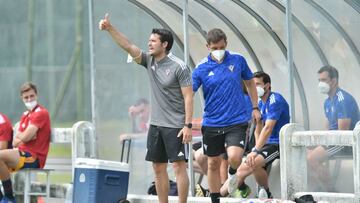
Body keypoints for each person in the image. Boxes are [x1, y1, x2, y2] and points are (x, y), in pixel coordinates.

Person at [99, 14, 193, 203]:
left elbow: (188, 96)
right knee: (158, 168)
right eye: (149, 40)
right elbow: (128, 45)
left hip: (176, 126)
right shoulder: (148, 61)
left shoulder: (179, 67)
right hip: (156, 126)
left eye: (153, 41)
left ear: (164, 44)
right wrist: (110, 28)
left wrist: (188, 125)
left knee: (178, 167)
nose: (149, 44)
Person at [192, 28, 261, 203]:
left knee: (235, 157)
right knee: (213, 163)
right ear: (207, 46)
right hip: (212, 122)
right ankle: (215, 199)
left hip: (236, 120)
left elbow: (251, 83)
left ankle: (232, 174)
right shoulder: (201, 68)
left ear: (226, 44)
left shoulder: (237, 60)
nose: (218, 51)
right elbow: (188, 93)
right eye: (214, 48)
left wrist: (255, 107)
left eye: (221, 46)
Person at [220, 71, 290, 198]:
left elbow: (268, 128)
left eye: (258, 84)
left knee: (243, 168)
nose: (254, 86)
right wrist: (256, 149)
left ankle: (219, 196)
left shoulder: (275, 100)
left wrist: (256, 150)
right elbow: (259, 128)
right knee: (253, 164)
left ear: (267, 85)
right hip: (266, 145)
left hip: (278, 144)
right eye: (253, 84)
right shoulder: (260, 104)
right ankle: (266, 193)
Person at [307, 65, 360, 191]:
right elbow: (328, 129)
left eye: (324, 80)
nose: (320, 83)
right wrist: (317, 143)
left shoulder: (343, 99)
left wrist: (322, 144)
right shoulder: (328, 102)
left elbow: (342, 133)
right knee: (306, 152)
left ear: (334, 81)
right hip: (334, 140)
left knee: (311, 158)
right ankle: (319, 189)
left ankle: (330, 191)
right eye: (319, 80)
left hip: (346, 143)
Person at [0, 82, 51, 203]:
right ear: (22, 98)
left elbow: (26, 137)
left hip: (34, 158)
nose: (29, 99)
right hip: (21, 153)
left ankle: (9, 198)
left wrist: (24, 136)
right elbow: (16, 141)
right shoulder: (26, 115)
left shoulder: (41, 113)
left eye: (32, 96)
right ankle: (2, 199)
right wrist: (24, 136)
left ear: (36, 95)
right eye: (26, 97)